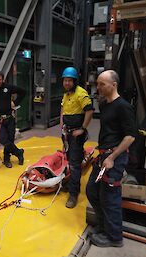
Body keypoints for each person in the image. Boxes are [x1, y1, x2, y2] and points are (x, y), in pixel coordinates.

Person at [86, 70, 136, 247]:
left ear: (114, 85)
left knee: (110, 198)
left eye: (102, 84)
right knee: (92, 190)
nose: (98, 87)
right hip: (103, 156)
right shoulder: (105, 104)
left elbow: (130, 136)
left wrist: (113, 157)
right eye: (98, 83)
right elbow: (109, 131)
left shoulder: (123, 107)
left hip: (114, 159)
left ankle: (114, 238)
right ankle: (103, 226)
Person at [60, 67, 93, 208]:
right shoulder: (66, 94)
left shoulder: (81, 93)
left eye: (69, 80)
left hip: (76, 135)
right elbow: (62, 110)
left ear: (74, 81)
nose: (67, 83)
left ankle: (73, 194)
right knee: (69, 160)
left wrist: (82, 129)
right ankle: (71, 183)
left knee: (74, 164)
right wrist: (62, 126)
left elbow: (89, 111)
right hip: (67, 133)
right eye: (65, 80)